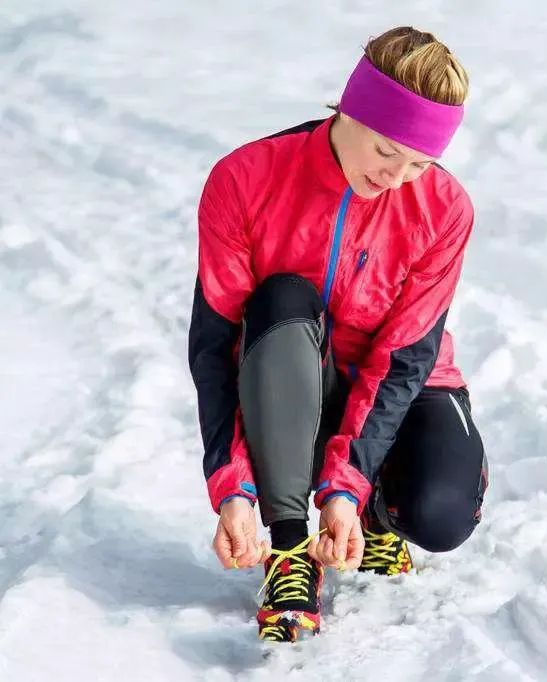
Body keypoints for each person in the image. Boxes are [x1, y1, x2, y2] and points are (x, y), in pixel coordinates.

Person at [187, 26, 488, 643]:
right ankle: (291, 550)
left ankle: (375, 508)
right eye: (385, 150)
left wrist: (348, 487)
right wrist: (234, 488)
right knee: (283, 300)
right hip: (287, 381)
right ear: (350, 109)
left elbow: (404, 358)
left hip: (397, 385)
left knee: (439, 516)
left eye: (420, 163)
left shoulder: (445, 208)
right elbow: (217, 347)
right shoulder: (245, 178)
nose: (398, 176)